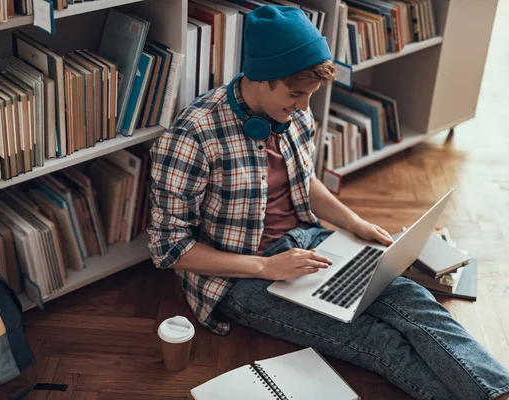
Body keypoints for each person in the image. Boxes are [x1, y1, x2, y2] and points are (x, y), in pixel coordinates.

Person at [147, 5, 509, 400]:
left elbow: (305, 181)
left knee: (414, 302)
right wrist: (265, 266)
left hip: (310, 243)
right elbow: (170, 249)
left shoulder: (294, 115)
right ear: (261, 78)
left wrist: (354, 223)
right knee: (378, 340)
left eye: (309, 96)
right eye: (295, 94)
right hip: (240, 278)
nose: (304, 107)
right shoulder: (193, 134)